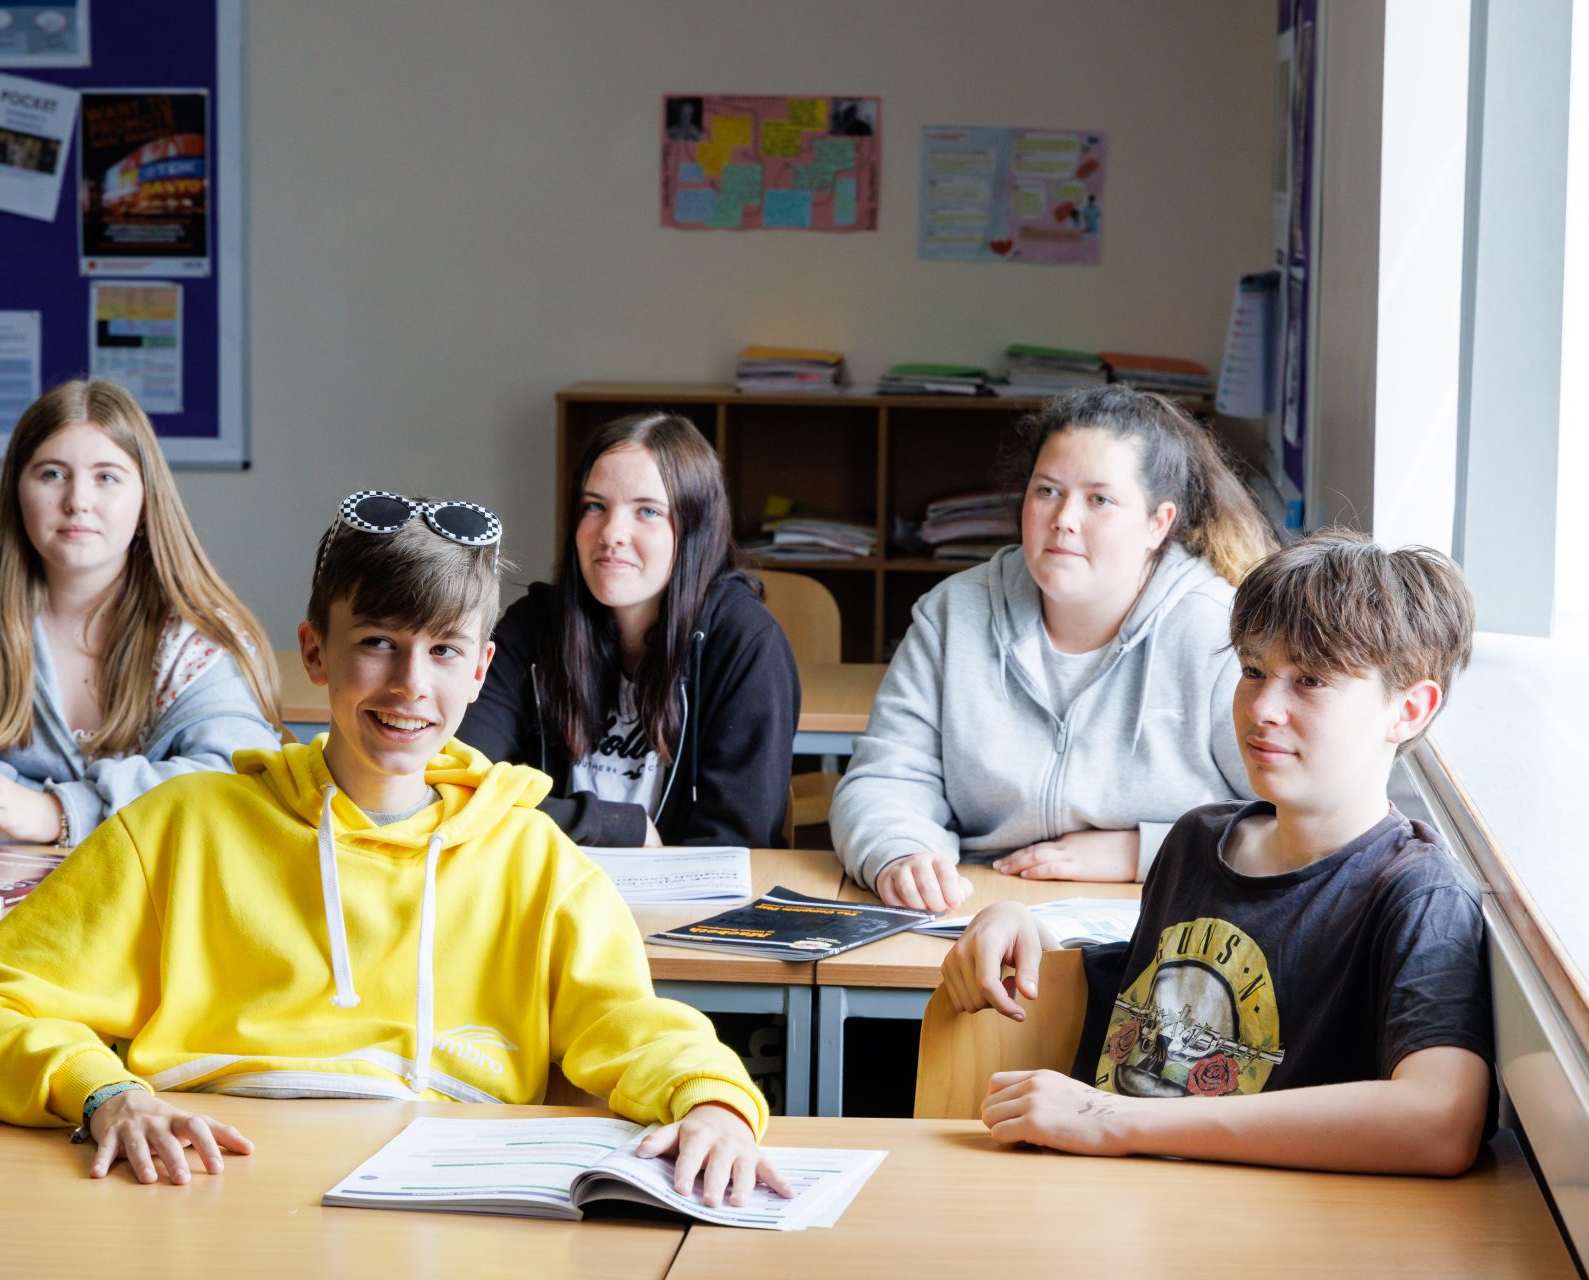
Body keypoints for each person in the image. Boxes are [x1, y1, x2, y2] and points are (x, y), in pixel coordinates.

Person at [0, 490, 789, 1206]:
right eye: (377, 643)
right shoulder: (176, 830)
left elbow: (628, 1025)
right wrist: (105, 1092)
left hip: (446, 1202)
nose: (411, 684)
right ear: (315, 653)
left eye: (443, 651)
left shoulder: (534, 860)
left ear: (479, 673)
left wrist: (711, 1101)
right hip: (197, 1185)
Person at [941, 531, 1492, 1175]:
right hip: (1106, 1202)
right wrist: (1023, 923)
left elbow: (1441, 1120)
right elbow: (1153, 1005)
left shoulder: (1418, 894)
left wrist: (1113, 1122)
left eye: (1310, 681)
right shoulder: (1198, 840)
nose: (1263, 708)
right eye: (1253, 671)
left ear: (1409, 709)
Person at [833, 385, 1277, 911]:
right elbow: (885, 776)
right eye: (1046, 491)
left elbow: (1284, 816)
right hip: (974, 906)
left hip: (1165, 914)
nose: (1064, 518)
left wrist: (1142, 852)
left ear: (1158, 524)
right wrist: (899, 850)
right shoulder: (954, 613)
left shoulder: (1216, 632)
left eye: (1099, 500)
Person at [0, 378, 282, 848]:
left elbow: (238, 784)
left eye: (107, 477)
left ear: (146, 499)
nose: (78, 501)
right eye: (52, 474)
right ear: (17, 491)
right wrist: (20, 804)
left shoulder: (194, 632)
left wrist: (56, 812)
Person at [458, 413, 799, 849]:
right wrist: (616, 826)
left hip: (687, 912)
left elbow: (734, 847)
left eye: (648, 511)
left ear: (694, 528)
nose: (612, 533)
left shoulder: (745, 644)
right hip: (551, 897)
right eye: (594, 506)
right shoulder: (533, 627)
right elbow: (463, 784)